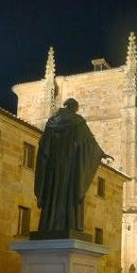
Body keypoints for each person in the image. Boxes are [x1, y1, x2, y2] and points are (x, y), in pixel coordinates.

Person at [34, 98, 114, 235]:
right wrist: (102, 154)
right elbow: (89, 142)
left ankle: (49, 225)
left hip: (52, 168)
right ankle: (68, 225)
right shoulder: (77, 122)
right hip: (69, 167)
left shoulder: (51, 122)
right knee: (69, 194)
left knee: (53, 193)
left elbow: (43, 146)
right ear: (74, 108)